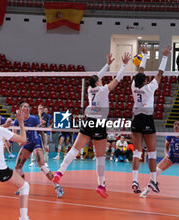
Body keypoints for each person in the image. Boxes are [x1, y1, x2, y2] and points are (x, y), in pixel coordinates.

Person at [52, 52, 131, 198]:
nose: (101, 80)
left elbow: (97, 76)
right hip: (99, 122)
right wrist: (124, 64)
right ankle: (101, 185)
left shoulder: (90, 89)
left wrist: (107, 64)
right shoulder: (103, 89)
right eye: (100, 80)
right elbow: (118, 79)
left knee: (75, 148)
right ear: (98, 82)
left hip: (89, 119)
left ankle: (60, 171)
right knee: (100, 156)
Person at [131, 45, 172, 194]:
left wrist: (145, 55)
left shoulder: (133, 87)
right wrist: (165, 56)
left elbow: (140, 72)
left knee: (136, 152)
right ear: (145, 81)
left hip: (136, 120)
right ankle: (153, 181)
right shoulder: (149, 88)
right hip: (147, 120)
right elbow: (160, 73)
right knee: (152, 153)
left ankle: (134, 180)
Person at [140, 121, 179, 200]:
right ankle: (146, 191)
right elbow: (166, 147)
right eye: (175, 124)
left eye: (178, 124)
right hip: (171, 157)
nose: (176, 126)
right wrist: (166, 154)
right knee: (155, 172)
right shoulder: (170, 135)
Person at [13, 102, 63, 198]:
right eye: (25, 106)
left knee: (42, 165)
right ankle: (22, 187)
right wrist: (18, 141)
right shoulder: (17, 120)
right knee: (18, 166)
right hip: (26, 144)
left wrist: (44, 144)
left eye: (28, 107)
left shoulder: (34, 119)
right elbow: (14, 132)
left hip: (36, 142)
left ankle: (57, 186)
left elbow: (41, 131)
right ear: (20, 108)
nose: (27, 108)